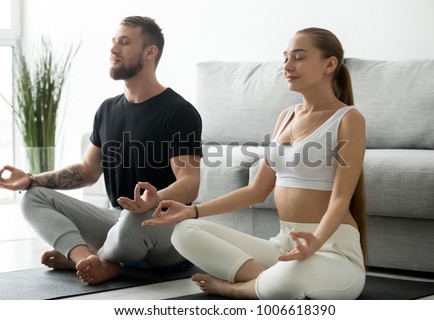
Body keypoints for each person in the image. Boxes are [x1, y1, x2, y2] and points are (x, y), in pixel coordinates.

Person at [145, 27, 367, 299]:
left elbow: (340, 198)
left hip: (332, 250)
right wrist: (192, 212)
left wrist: (315, 243)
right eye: (285, 57)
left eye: (298, 57)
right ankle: (265, 281)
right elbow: (256, 191)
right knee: (184, 232)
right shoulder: (286, 116)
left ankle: (238, 289)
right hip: (284, 244)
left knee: (289, 279)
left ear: (329, 64)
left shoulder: (348, 119)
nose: (287, 65)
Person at [0, 16, 202, 285]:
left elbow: (190, 183)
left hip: (165, 226)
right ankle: (85, 259)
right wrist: (32, 179)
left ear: (150, 52)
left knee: (133, 217)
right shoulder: (107, 110)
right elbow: (87, 172)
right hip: (117, 222)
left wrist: (152, 200)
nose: (114, 48)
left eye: (125, 41)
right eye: (113, 41)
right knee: (32, 197)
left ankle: (101, 259)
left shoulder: (179, 112)